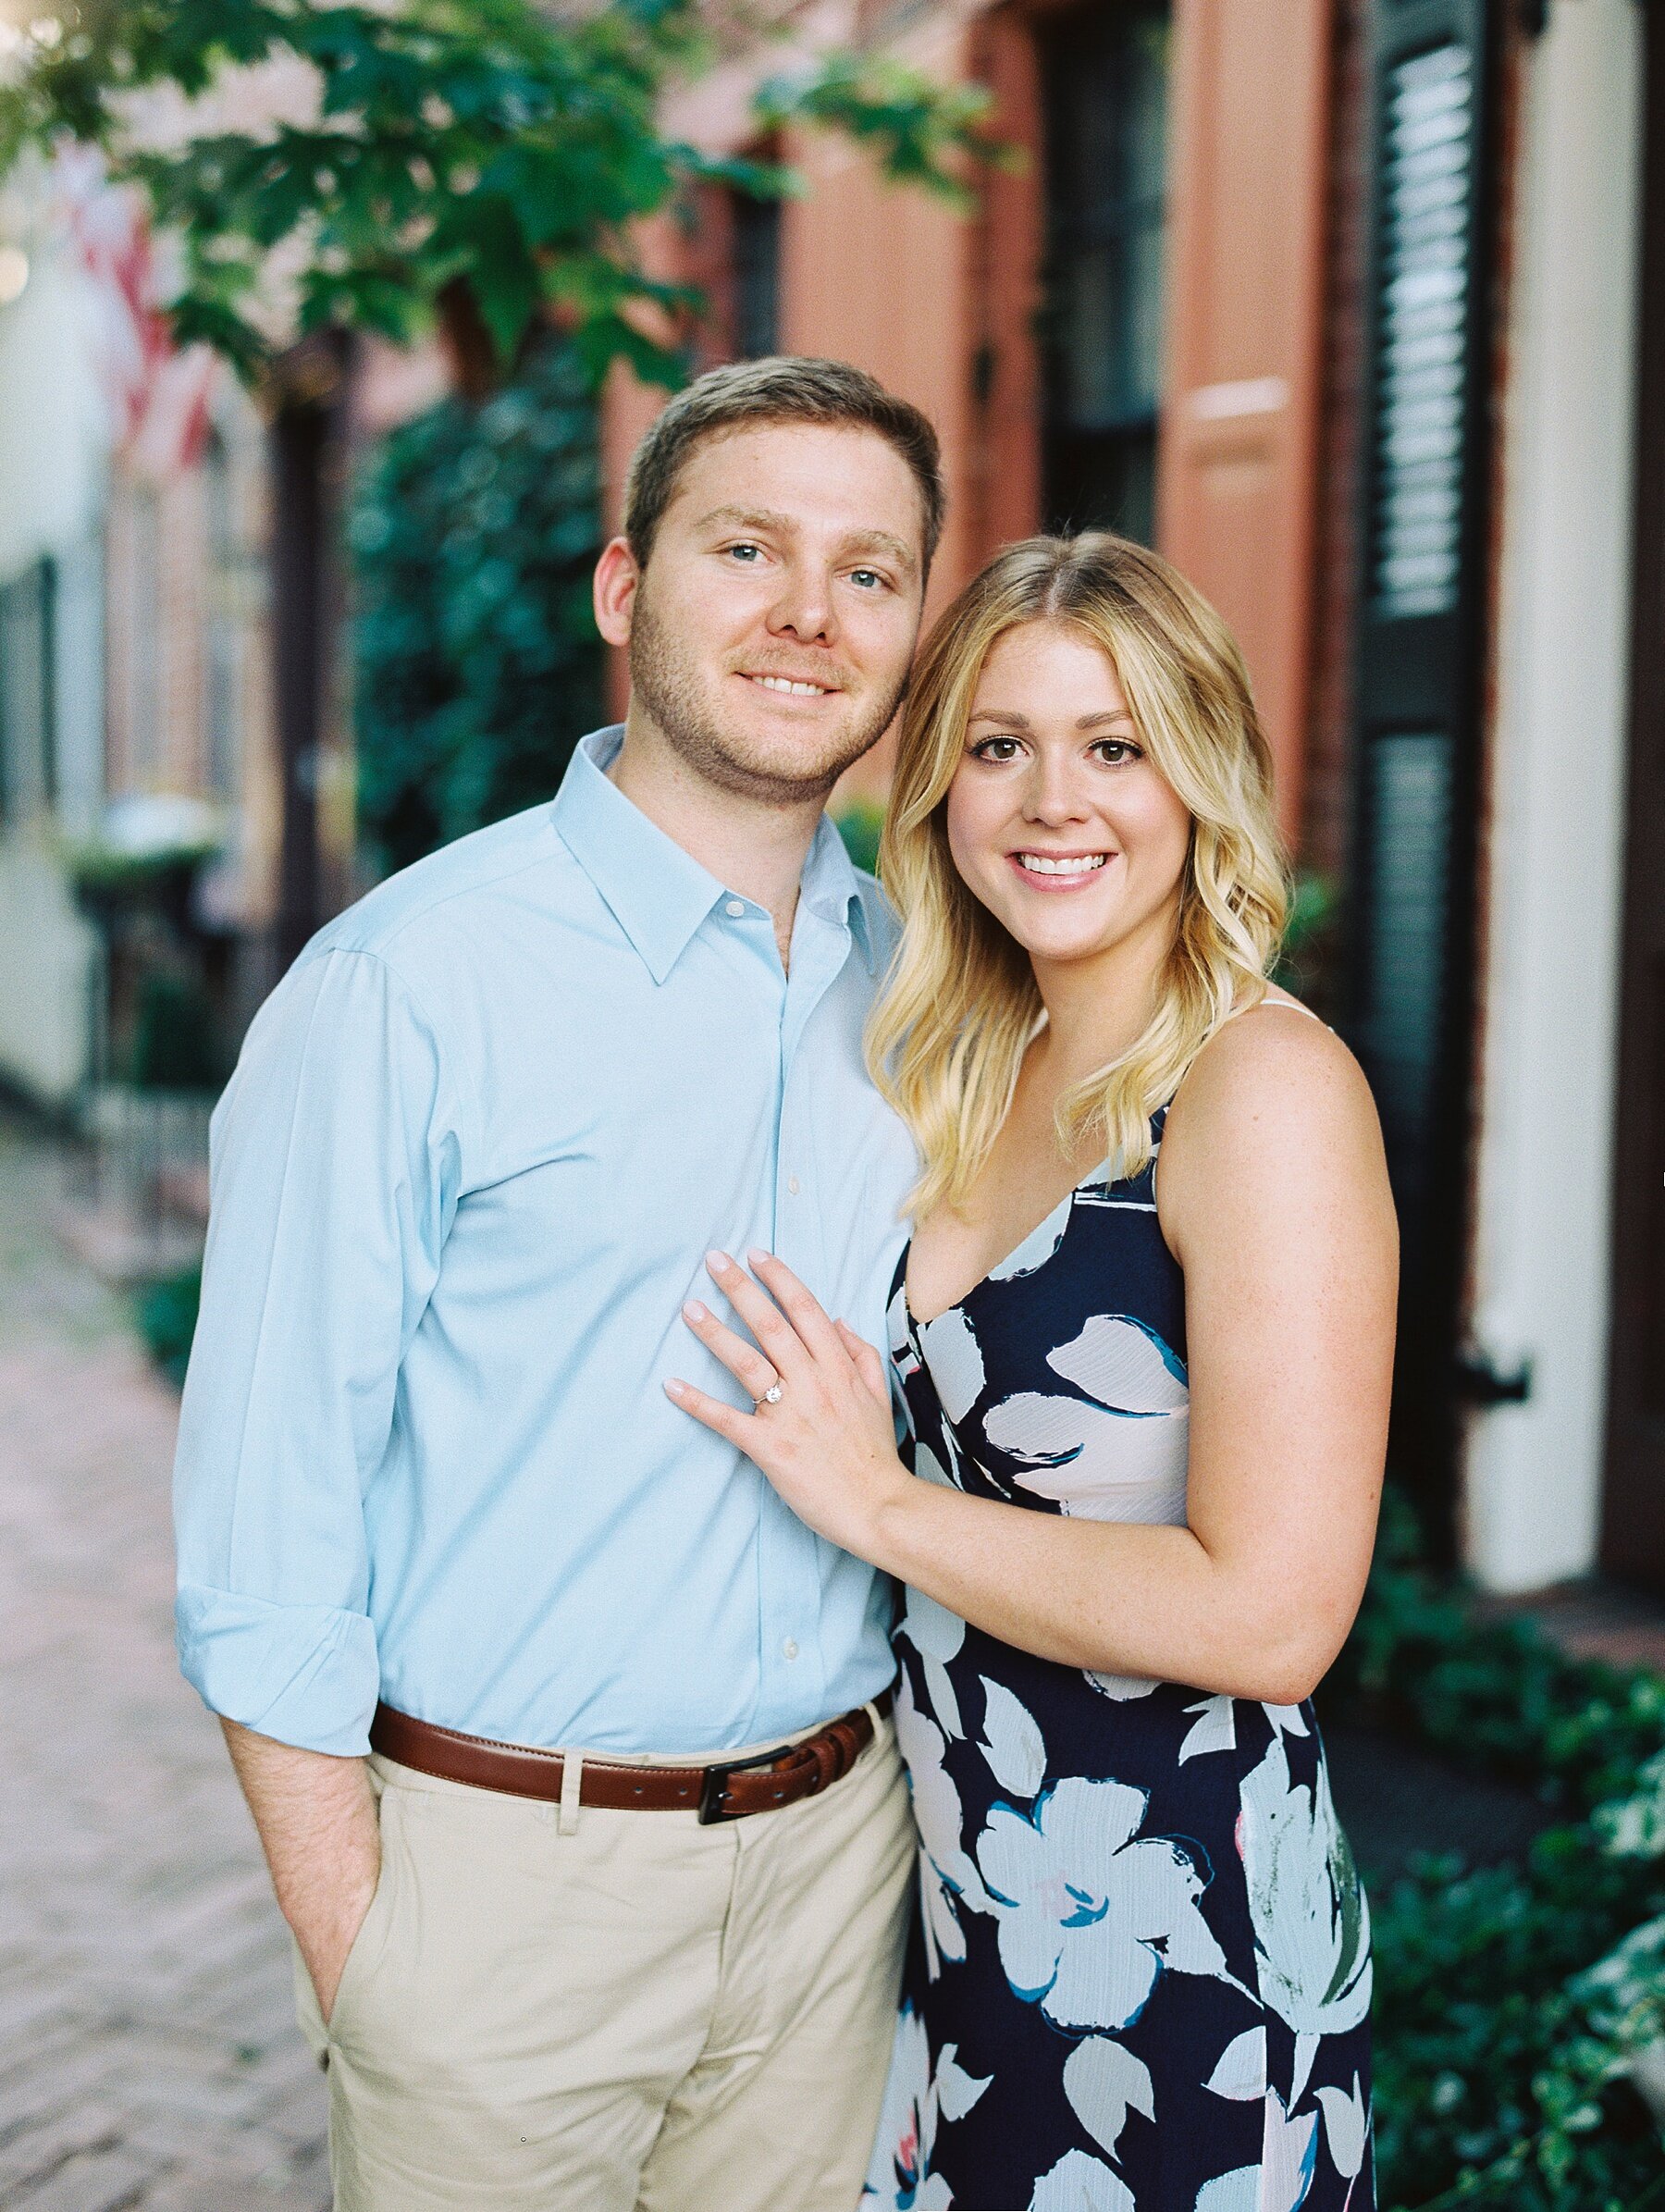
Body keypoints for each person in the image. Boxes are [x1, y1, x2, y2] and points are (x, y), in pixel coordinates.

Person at [172, 355, 944, 2212]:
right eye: (745, 547)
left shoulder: (927, 991)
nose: (804, 614)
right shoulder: (408, 987)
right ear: (624, 589)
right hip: (501, 1893)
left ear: (917, 624)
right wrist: (373, 1956)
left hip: (841, 1879)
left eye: (870, 570)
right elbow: (265, 1518)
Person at [669, 532, 1398, 2211]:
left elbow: (1278, 1615)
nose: (1052, 799)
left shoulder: (1255, 1092)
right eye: (1001, 745)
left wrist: (875, 1501)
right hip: (957, 1924)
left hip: (1181, 1949)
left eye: (1114, 745)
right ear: (939, 789)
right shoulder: (957, 1057)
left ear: (1198, 775)